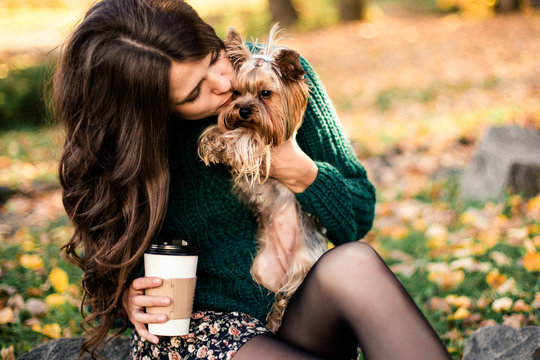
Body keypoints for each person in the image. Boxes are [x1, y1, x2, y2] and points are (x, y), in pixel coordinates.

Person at [54, 0, 451, 359]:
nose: (224, 84)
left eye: (214, 59)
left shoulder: (274, 72)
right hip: (200, 333)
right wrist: (128, 295)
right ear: (152, 110)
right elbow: (104, 261)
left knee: (354, 261)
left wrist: (297, 168)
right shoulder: (130, 146)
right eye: (195, 93)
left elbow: (358, 215)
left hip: (298, 310)